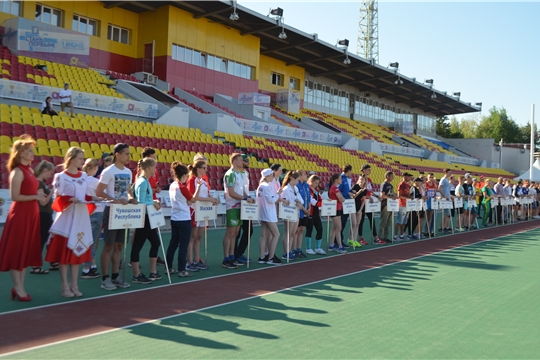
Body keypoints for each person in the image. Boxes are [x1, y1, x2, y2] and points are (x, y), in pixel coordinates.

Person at [45, 147, 95, 298]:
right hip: (66, 219)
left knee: (76, 253)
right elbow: (57, 199)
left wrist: (93, 199)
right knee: (64, 255)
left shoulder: (84, 176)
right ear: (72, 159)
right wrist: (69, 199)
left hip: (80, 217)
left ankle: (74, 284)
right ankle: (64, 286)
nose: (82, 160)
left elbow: (85, 195)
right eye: (80, 158)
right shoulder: (61, 176)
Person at [0, 135, 45, 301]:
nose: (33, 154)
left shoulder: (30, 171)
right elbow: (16, 196)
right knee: (17, 250)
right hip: (20, 215)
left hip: (31, 214)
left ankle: (19, 286)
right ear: (20, 154)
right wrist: (35, 196)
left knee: (25, 250)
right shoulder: (18, 172)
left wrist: (37, 195)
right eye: (29, 151)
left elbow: (30, 193)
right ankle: (18, 287)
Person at [96, 143, 137, 291]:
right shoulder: (108, 171)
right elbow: (99, 191)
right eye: (126, 153)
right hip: (111, 211)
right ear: (117, 155)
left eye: (129, 154)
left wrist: (131, 198)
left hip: (123, 212)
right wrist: (114, 200)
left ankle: (115, 276)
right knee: (108, 245)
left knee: (119, 245)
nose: (128, 156)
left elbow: (128, 190)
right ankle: (105, 278)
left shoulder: (128, 172)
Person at [129, 157, 163, 284]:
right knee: (138, 245)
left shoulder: (145, 181)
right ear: (149, 168)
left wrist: (152, 202)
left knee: (155, 242)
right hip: (144, 217)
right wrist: (153, 202)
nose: (155, 170)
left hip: (148, 216)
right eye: (154, 167)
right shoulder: (143, 182)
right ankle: (136, 274)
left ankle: (153, 272)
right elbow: (141, 202)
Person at [166, 161, 199, 277]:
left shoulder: (172, 185)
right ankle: (182, 270)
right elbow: (193, 200)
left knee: (173, 243)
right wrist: (198, 187)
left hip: (174, 218)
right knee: (183, 245)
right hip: (184, 219)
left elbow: (188, 200)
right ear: (184, 175)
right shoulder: (182, 187)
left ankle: (169, 267)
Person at [186, 160, 219, 272]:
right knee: (192, 236)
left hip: (203, 210)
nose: (206, 170)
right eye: (204, 168)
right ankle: (189, 261)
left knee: (199, 236)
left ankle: (196, 260)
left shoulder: (203, 180)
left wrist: (212, 199)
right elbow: (192, 197)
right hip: (195, 210)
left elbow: (207, 193)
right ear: (198, 168)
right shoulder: (192, 180)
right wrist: (209, 199)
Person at [222, 153, 254, 269]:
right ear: (235, 161)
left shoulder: (239, 174)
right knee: (230, 233)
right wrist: (245, 198)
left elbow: (242, 192)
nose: (243, 162)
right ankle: (226, 258)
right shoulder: (230, 174)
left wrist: (248, 198)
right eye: (240, 160)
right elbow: (231, 193)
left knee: (235, 233)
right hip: (232, 206)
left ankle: (232, 256)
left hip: (241, 206)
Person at [81, 158, 103, 279]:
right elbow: (101, 194)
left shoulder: (81, 180)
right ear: (94, 169)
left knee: (87, 240)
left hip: (85, 211)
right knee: (92, 241)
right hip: (96, 210)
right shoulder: (95, 181)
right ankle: (88, 267)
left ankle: (91, 266)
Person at [257, 168, 284, 265]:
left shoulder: (261, 186)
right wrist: (278, 193)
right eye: (272, 175)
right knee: (276, 234)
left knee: (264, 234)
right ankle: (271, 257)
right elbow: (272, 200)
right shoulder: (266, 186)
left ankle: (262, 256)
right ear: (267, 176)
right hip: (269, 213)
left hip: (263, 212)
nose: (273, 177)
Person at [33, 160, 55, 274]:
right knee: (41, 240)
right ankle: (36, 265)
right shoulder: (39, 183)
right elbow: (43, 201)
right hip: (43, 214)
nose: (50, 176)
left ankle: (51, 262)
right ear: (45, 170)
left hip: (46, 214)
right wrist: (52, 192)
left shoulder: (41, 182)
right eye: (50, 173)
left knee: (45, 239)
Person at [234, 154, 253, 265]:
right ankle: (235, 254)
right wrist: (245, 197)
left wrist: (248, 197)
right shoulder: (236, 174)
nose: (247, 162)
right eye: (245, 160)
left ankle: (239, 253)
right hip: (236, 204)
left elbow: (245, 190)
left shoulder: (245, 174)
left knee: (248, 230)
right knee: (236, 232)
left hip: (245, 204)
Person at [280, 171, 304, 260]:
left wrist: (299, 201)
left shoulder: (295, 188)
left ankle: (289, 251)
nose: (298, 182)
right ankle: (286, 252)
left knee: (293, 233)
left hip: (295, 212)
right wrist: (295, 202)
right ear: (292, 179)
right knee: (288, 233)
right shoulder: (286, 189)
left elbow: (301, 199)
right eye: (297, 180)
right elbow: (285, 201)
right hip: (288, 213)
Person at [358, 164, 383, 244]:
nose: (370, 171)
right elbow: (361, 191)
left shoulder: (369, 179)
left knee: (372, 219)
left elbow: (370, 190)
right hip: (362, 202)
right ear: (364, 170)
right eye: (368, 170)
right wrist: (368, 196)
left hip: (368, 203)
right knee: (361, 220)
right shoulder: (361, 179)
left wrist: (376, 196)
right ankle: (361, 237)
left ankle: (376, 237)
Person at [305, 175, 326, 255]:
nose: (316, 184)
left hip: (316, 213)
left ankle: (318, 248)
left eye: (317, 183)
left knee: (320, 229)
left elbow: (321, 199)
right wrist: (320, 203)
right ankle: (308, 248)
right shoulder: (308, 189)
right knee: (309, 230)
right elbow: (312, 201)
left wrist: (324, 202)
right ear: (311, 181)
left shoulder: (316, 190)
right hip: (310, 212)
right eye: (315, 183)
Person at [327, 174, 347, 254]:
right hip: (335, 209)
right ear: (336, 180)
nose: (341, 180)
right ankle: (340, 246)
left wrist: (342, 198)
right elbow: (341, 199)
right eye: (340, 179)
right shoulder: (335, 188)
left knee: (334, 228)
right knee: (338, 228)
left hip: (336, 209)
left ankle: (332, 245)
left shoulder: (335, 188)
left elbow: (341, 198)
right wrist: (342, 198)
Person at [293, 170, 310, 258]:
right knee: (296, 231)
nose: (306, 175)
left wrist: (308, 208)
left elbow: (308, 198)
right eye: (304, 174)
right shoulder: (297, 185)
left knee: (301, 230)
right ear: (300, 175)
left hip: (306, 211)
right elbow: (297, 199)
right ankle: (294, 249)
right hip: (300, 211)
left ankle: (299, 249)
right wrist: (304, 209)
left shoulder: (306, 185)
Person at [350, 175, 369, 246]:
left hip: (359, 207)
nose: (361, 181)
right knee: (354, 224)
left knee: (357, 224)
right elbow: (353, 196)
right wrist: (359, 192)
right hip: (353, 206)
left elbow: (364, 200)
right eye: (360, 179)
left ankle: (354, 240)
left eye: (363, 180)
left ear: (365, 181)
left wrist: (360, 210)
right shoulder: (355, 186)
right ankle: (350, 238)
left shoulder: (364, 189)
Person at [378, 171, 397, 242]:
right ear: (387, 176)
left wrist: (394, 195)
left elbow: (391, 193)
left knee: (388, 222)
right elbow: (382, 195)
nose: (393, 177)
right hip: (385, 205)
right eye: (391, 176)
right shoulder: (384, 184)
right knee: (383, 222)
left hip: (391, 205)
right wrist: (390, 197)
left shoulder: (391, 185)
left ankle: (385, 236)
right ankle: (380, 237)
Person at [338, 165, 353, 248]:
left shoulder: (346, 179)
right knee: (341, 223)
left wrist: (351, 191)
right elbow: (338, 192)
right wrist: (348, 193)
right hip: (343, 204)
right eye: (351, 171)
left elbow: (346, 190)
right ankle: (339, 241)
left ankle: (340, 240)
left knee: (343, 223)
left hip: (347, 204)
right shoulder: (342, 179)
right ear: (348, 170)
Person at [396, 173, 412, 240]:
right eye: (408, 177)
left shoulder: (408, 185)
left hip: (407, 205)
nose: (410, 178)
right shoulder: (401, 184)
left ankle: (402, 234)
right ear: (405, 177)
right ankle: (396, 235)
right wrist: (408, 198)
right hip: (402, 204)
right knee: (400, 221)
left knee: (405, 221)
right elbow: (399, 195)